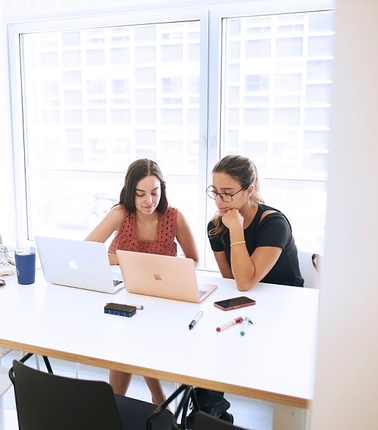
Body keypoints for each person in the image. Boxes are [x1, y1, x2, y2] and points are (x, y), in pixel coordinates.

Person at [85, 158, 199, 404]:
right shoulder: (120, 214)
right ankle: (156, 398)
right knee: (130, 330)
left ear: (162, 190)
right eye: (140, 194)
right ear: (130, 193)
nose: (149, 201)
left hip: (160, 296)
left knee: (135, 333)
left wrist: (165, 268)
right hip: (125, 293)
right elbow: (88, 251)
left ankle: (119, 403)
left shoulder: (174, 218)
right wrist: (124, 261)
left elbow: (194, 260)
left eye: (154, 193)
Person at [207, 154, 303, 290]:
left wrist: (235, 229)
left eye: (227, 193)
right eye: (215, 192)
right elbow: (231, 281)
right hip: (248, 299)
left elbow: (244, 283)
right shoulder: (215, 227)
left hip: (286, 299)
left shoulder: (275, 224)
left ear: (249, 191)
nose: (218, 200)